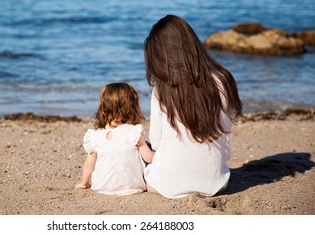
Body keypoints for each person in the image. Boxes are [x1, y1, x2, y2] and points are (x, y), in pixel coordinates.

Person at [143, 15, 243, 198]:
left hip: (167, 185)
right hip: (216, 183)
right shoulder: (223, 79)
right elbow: (225, 129)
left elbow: (157, 142)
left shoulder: (162, 89)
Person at [75, 83, 154, 195]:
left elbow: (89, 164)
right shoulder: (134, 132)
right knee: (147, 146)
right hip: (133, 187)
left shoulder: (96, 136)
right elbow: (149, 158)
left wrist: (84, 183)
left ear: (103, 107)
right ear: (132, 107)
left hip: (101, 186)